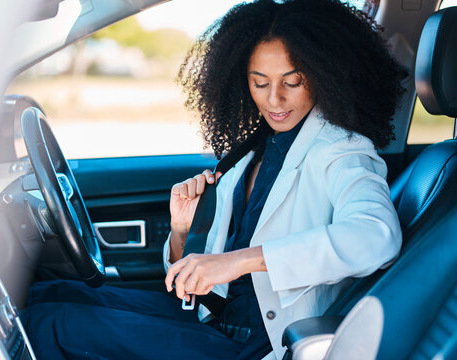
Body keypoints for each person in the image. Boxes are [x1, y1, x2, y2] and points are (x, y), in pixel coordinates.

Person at [21, 0, 405, 358]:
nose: (274, 99)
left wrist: (240, 262)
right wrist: (182, 231)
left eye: (293, 81)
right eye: (260, 82)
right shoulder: (256, 148)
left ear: (323, 75)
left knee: (49, 325)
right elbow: (208, 280)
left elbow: (377, 237)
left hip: (260, 344)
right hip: (214, 320)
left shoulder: (342, 150)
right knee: (44, 294)